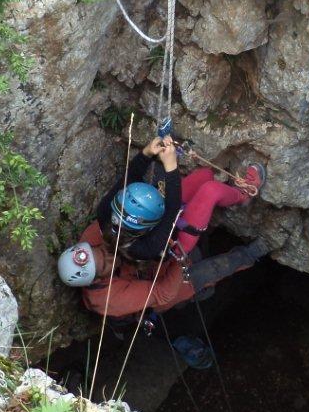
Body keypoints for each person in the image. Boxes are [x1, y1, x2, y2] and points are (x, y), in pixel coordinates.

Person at [56, 135, 267, 318]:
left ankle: (234, 197)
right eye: (106, 265)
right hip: (166, 275)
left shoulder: (98, 230)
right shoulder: (110, 299)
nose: (111, 256)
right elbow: (163, 293)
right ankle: (250, 245)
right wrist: (178, 261)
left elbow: (123, 185)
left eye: (101, 251)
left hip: (153, 233)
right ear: (98, 278)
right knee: (210, 197)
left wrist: (146, 153)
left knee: (205, 176)